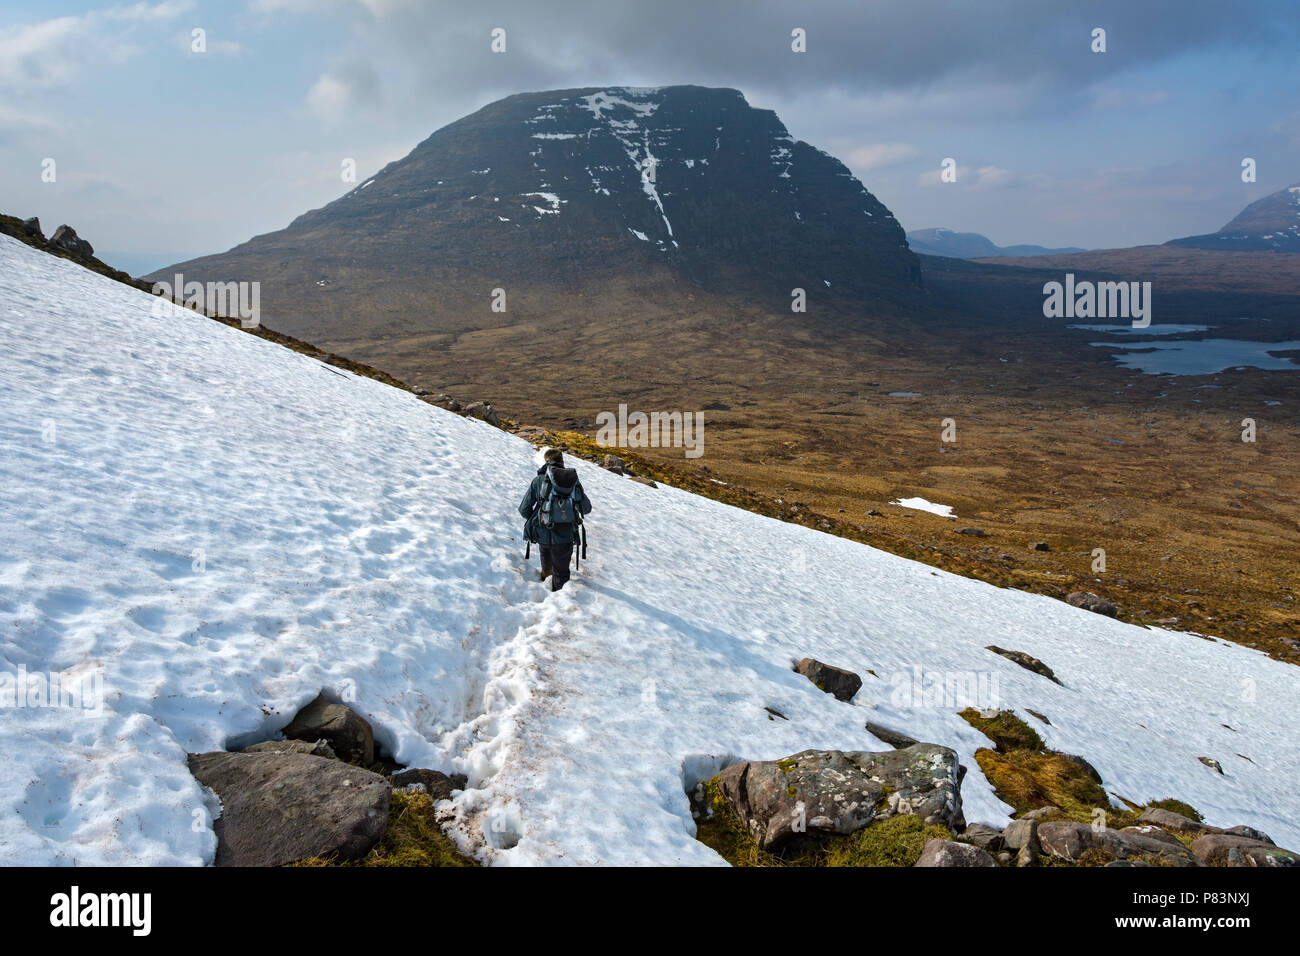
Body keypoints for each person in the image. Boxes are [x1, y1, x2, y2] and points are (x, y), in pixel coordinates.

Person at [519, 448, 592, 591]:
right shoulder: (572, 481)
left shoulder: (539, 480)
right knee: (562, 574)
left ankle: (545, 591)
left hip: (543, 534)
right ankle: (559, 599)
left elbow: (524, 509)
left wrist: (539, 520)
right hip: (565, 537)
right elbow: (587, 508)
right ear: (562, 462)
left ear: (546, 461)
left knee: (547, 570)